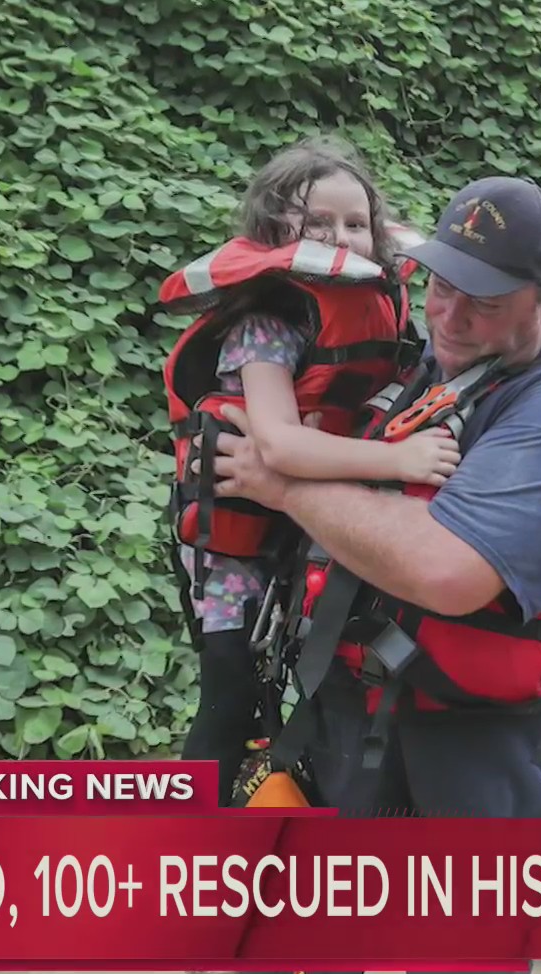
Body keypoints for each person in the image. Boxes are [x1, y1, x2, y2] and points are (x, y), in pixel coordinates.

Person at [209, 176, 541, 974]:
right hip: (345, 722)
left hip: (481, 756)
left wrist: (282, 482)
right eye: (439, 283)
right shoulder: (412, 371)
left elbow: (445, 570)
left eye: (482, 300)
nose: (449, 312)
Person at [159, 136, 462, 804]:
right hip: (235, 541)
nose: (341, 237)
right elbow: (279, 447)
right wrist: (399, 459)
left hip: (312, 532)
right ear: (274, 230)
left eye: (356, 224)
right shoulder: (267, 319)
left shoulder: (386, 305)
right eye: (318, 223)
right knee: (229, 698)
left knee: (306, 693)